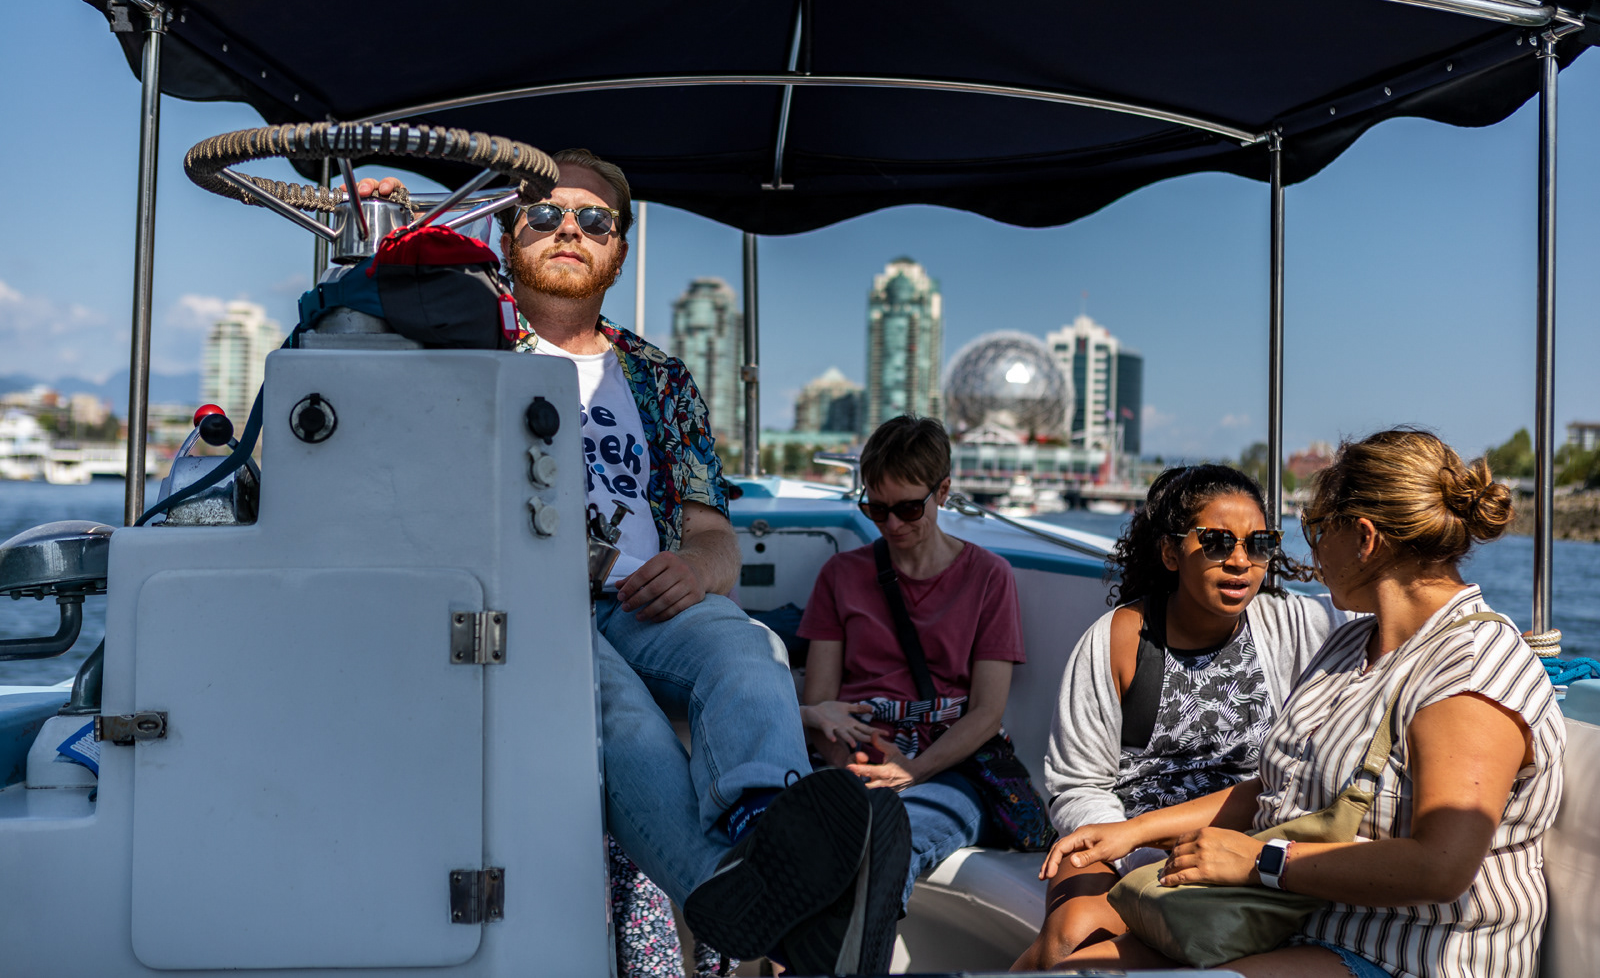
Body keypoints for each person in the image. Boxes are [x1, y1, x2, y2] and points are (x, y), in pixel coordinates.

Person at [356, 157, 908, 975]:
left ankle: (765, 831)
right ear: (506, 234)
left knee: (747, 646)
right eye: (545, 214)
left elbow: (714, 536)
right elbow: (371, 335)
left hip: (647, 601)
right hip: (530, 603)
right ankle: (745, 895)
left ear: (618, 250)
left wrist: (694, 568)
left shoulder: (661, 378)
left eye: (594, 220)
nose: (569, 230)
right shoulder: (464, 341)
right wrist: (382, 229)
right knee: (614, 710)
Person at [1052, 428, 1565, 977]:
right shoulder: (1352, 642)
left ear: (1363, 538)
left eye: (1316, 531)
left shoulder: (1470, 670)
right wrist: (1135, 830)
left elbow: (1439, 867)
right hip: (1299, 921)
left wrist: (1260, 861)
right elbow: (1281, 787)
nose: (1310, 554)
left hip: (1405, 952)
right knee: (1069, 969)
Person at [1013, 464, 1344, 971]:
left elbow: (1399, 618)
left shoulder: (1295, 625)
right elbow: (1078, 784)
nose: (1240, 561)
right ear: (1171, 553)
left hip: (1241, 837)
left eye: (1259, 544)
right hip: (1123, 835)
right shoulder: (1120, 640)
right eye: (1216, 542)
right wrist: (1140, 852)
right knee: (1073, 936)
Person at [797, 416, 1028, 910]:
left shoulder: (990, 577)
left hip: (949, 768)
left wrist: (913, 772)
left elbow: (987, 713)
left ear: (942, 492)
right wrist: (853, 770)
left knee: (890, 846)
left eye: (907, 508)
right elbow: (821, 704)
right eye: (876, 510)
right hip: (853, 757)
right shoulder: (840, 575)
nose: (892, 525)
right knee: (811, 843)